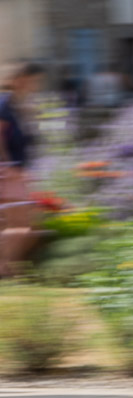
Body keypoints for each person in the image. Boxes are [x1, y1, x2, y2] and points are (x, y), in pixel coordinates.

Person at [0, 61, 45, 278]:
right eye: (32, 80)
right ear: (19, 80)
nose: (35, 84)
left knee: (25, 227)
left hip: (17, 172)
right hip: (8, 173)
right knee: (21, 226)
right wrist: (7, 164)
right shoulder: (4, 104)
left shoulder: (19, 105)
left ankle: (7, 268)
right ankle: (5, 269)